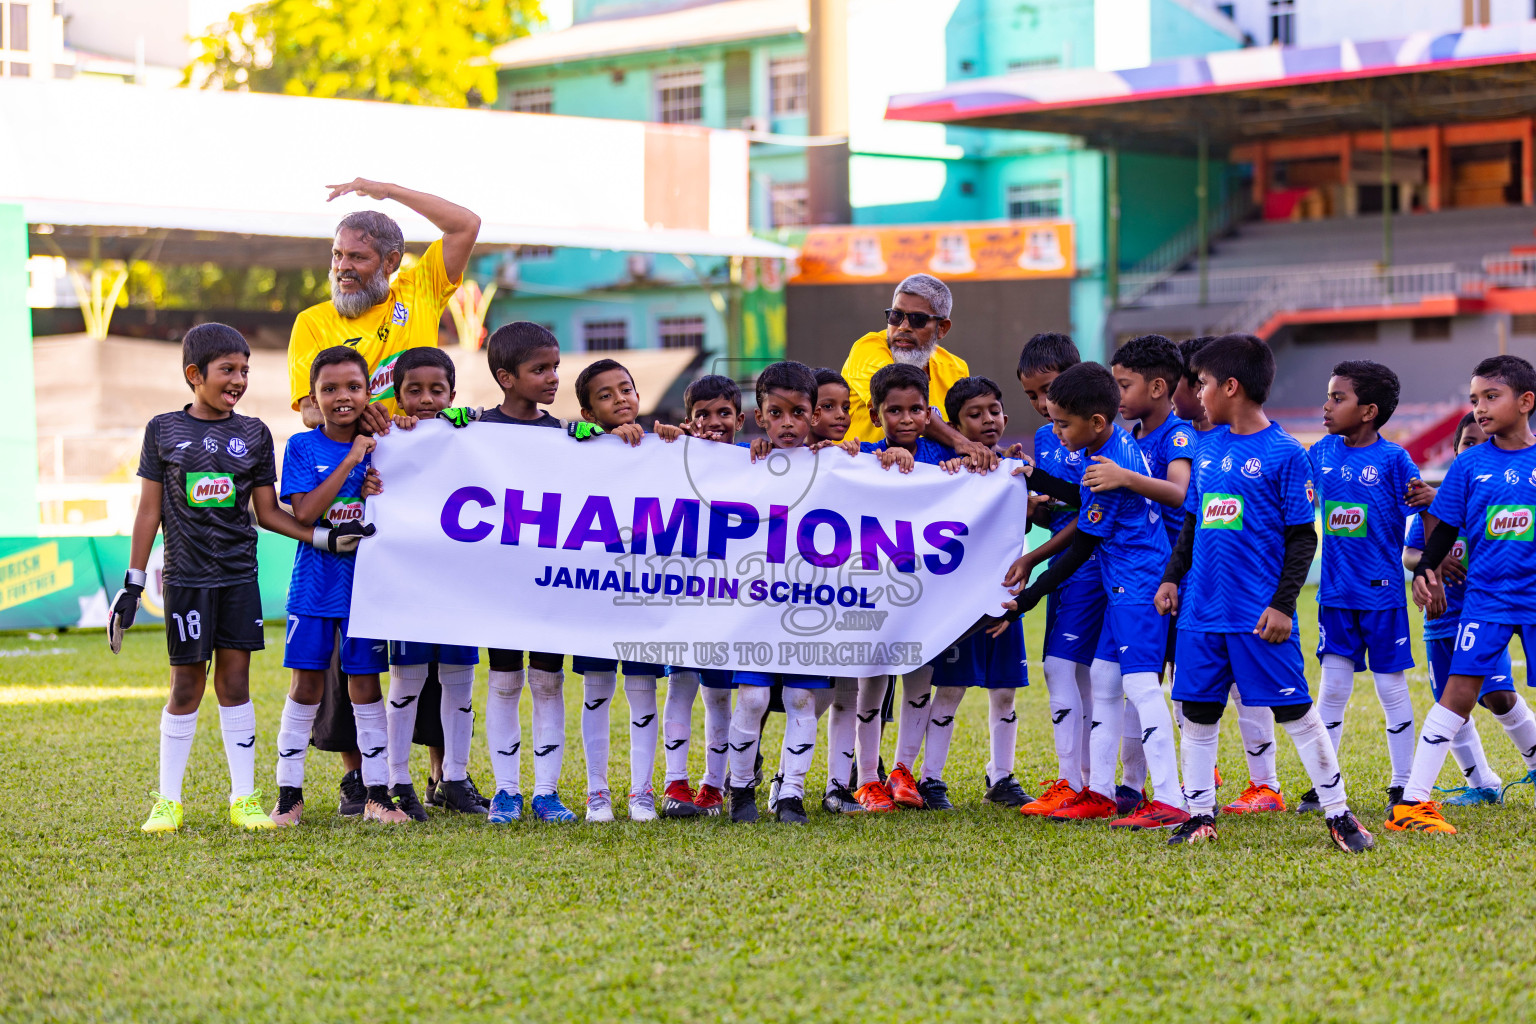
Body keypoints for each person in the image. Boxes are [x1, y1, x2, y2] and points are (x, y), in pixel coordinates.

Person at [284, 178, 480, 812]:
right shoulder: (311, 322)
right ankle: (359, 776)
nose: (342, 268)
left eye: (357, 257)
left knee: (427, 626)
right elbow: (308, 412)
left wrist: (381, 191)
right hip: (355, 487)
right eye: (338, 255)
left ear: (391, 263)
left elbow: (465, 223)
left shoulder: (417, 290)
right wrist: (359, 417)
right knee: (355, 637)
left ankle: (443, 774)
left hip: (426, 493)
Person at [122, 324, 366, 833]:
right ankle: (167, 802)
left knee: (235, 682)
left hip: (239, 578)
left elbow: (269, 513)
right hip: (187, 578)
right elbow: (149, 512)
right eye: (228, 370)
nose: (239, 380)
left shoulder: (254, 433)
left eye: (245, 370)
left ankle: (245, 799)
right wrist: (133, 582)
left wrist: (322, 539)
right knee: (186, 685)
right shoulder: (162, 430)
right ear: (195, 374)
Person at [1154, 334, 1373, 852]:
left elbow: (1303, 537)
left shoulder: (1284, 454)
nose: (1198, 393)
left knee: (1294, 709)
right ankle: (1200, 813)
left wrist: (1281, 605)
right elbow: (1191, 525)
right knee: (1198, 712)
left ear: (1231, 387)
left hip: (1257, 616)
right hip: (1201, 614)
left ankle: (1339, 815)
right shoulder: (1204, 447)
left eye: (1203, 384)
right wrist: (1170, 576)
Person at [993, 363, 1186, 831]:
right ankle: (1100, 793)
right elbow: (1077, 498)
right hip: (1123, 581)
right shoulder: (1108, 449)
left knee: (1141, 687)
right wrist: (1032, 476)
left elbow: (1083, 545)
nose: (1054, 430)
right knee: (1103, 679)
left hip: (1138, 586)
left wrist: (1030, 595)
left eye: (1062, 423)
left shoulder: (1106, 466)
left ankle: (1171, 800)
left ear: (1095, 422)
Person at [1098, 336, 1285, 816]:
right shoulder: (1148, 436)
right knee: (1154, 680)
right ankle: (1144, 782)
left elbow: (1185, 501)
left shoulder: (1196, 438)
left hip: (1206, 578)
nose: (1195, 392)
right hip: (1170, 574)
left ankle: (1262, 782)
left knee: (1227, 679)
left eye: (1198, 383)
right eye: (1195, 383)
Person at [1392, 355, 1536, 834]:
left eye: (1491, 397)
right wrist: (1424, 571)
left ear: (1526, 401)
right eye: (1474, 399)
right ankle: (1413, 803)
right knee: (1458, 692)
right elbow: (1442, 531)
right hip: (1487, 601)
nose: (1479, 407)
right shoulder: (1470, 464)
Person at [269, 346, 406, 826]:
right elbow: (304, 514)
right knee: (305, 685)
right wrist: (351, 461)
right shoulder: (303, 447)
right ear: (313, 397)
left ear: (370, 393)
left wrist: (375, 477)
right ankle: (289, 796)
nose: (342, 397)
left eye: (353, 387)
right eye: (329, 389)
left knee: (366, 686)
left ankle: (377, 795)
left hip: (364, 590)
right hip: (313, 586)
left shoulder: (386, 443)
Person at [1307, 360, 1434, 811]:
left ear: (1368, 411)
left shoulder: (1394, 460)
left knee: (1392, 688)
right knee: (1333, 688)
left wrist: (1429, 566)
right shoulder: (1320, 452)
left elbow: (1427, 508)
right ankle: (1324, 783)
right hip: (1335, 595)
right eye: (1328, 396)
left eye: (1337, 398)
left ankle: (1402, 781)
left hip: (1381, 594)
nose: (1326, 405)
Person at [372, 348, 489, 821]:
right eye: (413, 391)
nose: (426, 400)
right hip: (410, 580)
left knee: (459, 681)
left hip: (460, 581)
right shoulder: (385, 441)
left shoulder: (472, 437)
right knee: (407, 680)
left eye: (436, 391)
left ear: (453, 394)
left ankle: (454, 778)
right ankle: (398, 780)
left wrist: (471, 421)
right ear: (396, 397)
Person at [840, 363, 957, 812]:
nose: (905, 419)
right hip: (875, 592)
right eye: (894, 411)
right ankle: (866, 778)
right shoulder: (862, 455)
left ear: (929, 412)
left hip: (925, 596)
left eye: (915, 410)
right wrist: (861, 457)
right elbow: (835, 475)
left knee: (919, 682)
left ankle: (903, 772)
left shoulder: (943, 460)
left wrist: (965, 468)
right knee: (870, 685)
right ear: (875, 412)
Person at [727, 360, 835, 824]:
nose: (787, 423)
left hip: (812, 604)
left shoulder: (837, 461)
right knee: (751, 699)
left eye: (798, 412)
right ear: (759, 416)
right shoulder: (742, 463)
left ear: (814, 414)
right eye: (777, 413)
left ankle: (791, 792)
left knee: (802, 700)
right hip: (756, 605)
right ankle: (740, 789)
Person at [474, 323, 574, 825]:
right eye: (541, 369)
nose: (553, 377)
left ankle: (547, 792)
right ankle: (506, 792)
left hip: (550, 581)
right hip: (500, 582)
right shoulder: (470, 429)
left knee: (549, 682)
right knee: (505, 680)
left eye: (555, 366)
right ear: (505, 377)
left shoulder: (566, 435)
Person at [921, 376, 1033, 810]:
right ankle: (931, 780)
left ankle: (1001, 777)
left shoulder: (1014, 469)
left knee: (1005, 690)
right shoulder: (945, 466)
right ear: (955, 424)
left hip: (1004, 596)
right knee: (950, 689)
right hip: (959, 602)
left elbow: (1018, 529)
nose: (988, 420)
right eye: (974, 414)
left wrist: (1029, 497)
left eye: (993, 410)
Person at [568, 357, 665, 823]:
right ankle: (597, 792)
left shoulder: (664, 447)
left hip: (644, 591)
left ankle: (642, 791)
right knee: (597, 690)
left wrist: (671, 443)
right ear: (588, 413)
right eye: (605, 396)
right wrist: (598, 442)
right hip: (594, 594)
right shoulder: (580, 443)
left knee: (643, 691)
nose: (620, 399)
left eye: (625, 389)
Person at [1010, 333, 1104, 816]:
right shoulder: (1047, 440)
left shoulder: (1098, 432)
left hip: (1092, 563)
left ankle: (1081, 782)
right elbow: (1062, 508)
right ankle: (1083, 780)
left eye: (1047, 390)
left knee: (1066, 667)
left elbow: (1090, 509)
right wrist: (1035, 507)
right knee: (1080, 673)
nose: (1042, 404)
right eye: (1031, 396)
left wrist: (1034, 551)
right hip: (1063, 564)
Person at [1401, 413, 1513, 806]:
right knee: (1451, 705)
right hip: (1441, 621)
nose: (1476, 449)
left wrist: (1440, 500)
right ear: (1455, 451)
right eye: (1468, 442)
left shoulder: (1496, 494)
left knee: (1500, 697)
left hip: (1484, 615)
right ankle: (1482, 782)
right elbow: (1412, 551)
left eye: (1485, 442)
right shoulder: (1432, 507)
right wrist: (1427, 563)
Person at [654, 374, 749, 819]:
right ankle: (676, 783)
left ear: (741, 419)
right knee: (680, 683)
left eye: (723, 413)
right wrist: (670, 444)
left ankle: (713, 785)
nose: (714, 422)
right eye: (702, 415)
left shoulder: (756, 463)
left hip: (731, 599)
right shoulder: (675, 458)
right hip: (685, 593)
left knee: (718, 693)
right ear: (688, 421)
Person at [838, 273, 997, 469]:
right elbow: (959, 439)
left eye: (917, 319)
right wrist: (961, 442)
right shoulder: (867, 349)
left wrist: (999, 454)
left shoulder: (956, 369)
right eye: (896, 316)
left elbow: (967, 435)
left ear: (942, 328)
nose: (903, 327)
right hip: (864, 477)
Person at [1172, 336, 1214, 432]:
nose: (1166, 390)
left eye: (1173, 381)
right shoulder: (1174, 435)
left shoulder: (1235, 438)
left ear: (1200, 384)